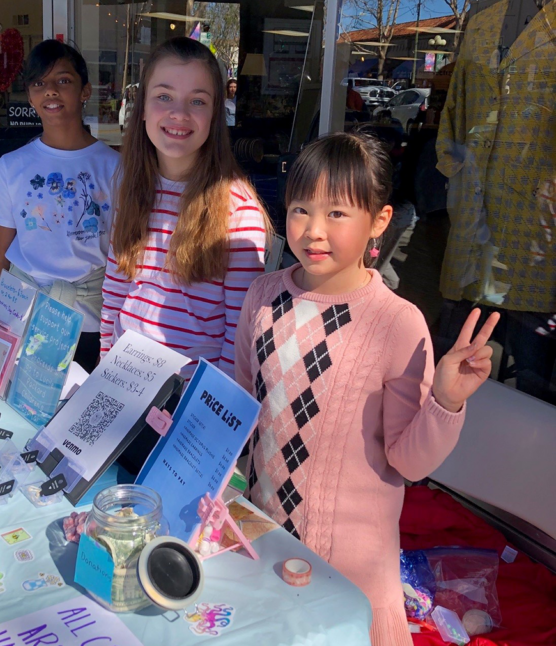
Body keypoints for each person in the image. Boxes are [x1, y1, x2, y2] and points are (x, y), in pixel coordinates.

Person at [234, 132, 499, 646]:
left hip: (349, 576)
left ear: (379, 221)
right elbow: (244, 405)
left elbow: (409, 462)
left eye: (337, 213)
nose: (313, 230)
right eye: (300, 209)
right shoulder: (263, 297)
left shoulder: (397, 323)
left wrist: (446, 400)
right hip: (262, 547)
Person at [100, 38, 269, 380]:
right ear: (143, 107)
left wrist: (204, 411)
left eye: (197, 101)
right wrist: (103, 371)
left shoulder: (238, 210)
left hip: (184, 398)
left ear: (214, 115)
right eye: (164, 96)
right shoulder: (132, 187)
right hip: (120, 380)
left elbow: (239, 333)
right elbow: (116, 290)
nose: (179, 113)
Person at [0, 40, 120, 372]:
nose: (50, 91)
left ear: (85, 91)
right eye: (39, 83)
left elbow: (126, 262)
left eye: (63, 81)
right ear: (29, 96)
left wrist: (117, 338)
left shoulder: (116, 168)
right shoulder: (10, 167)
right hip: (23, 319)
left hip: (93, 326)